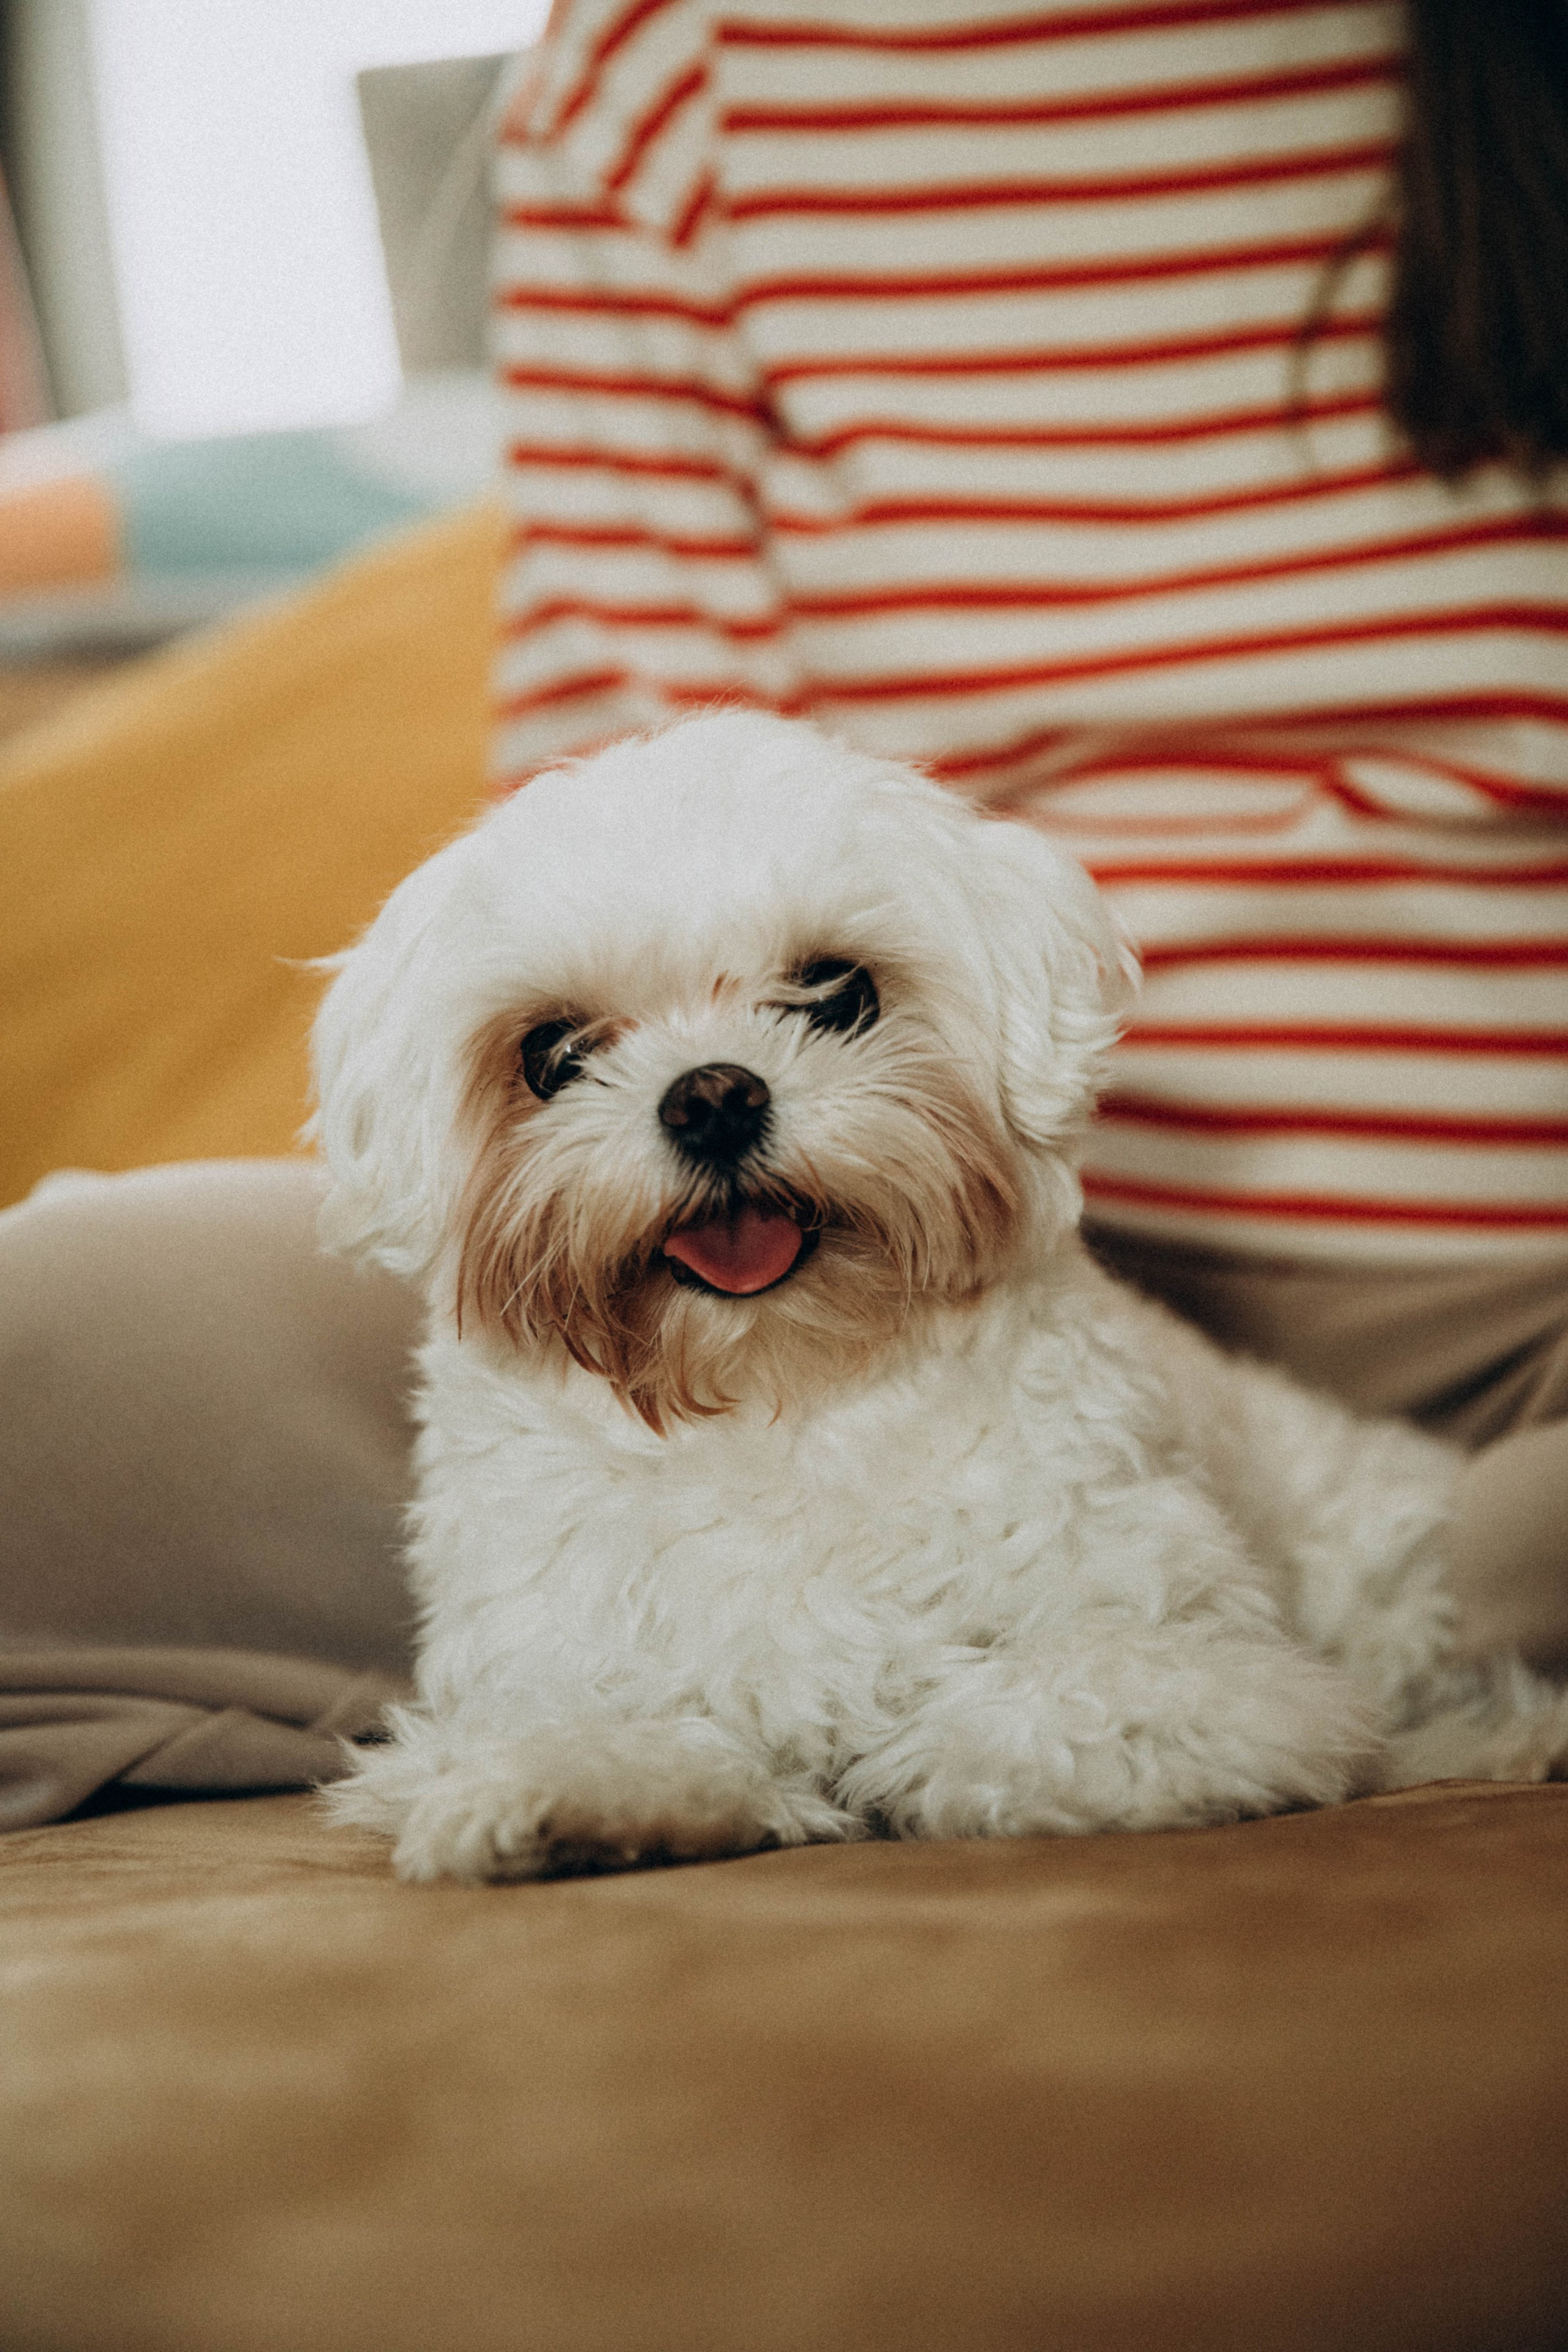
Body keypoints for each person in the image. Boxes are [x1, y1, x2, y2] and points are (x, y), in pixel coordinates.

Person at [486, 0, 1568, 1665]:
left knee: (1500, 1576)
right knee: (67, 1348)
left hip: (1524, 1304)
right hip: (908, 1295)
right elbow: (598, 828)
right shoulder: (673, 59)